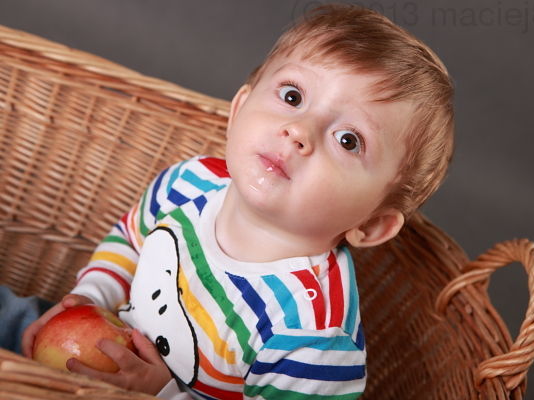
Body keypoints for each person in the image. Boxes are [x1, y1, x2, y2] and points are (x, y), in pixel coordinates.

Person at [20, 4, 454, 399]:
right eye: (292, 97)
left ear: (371, 225)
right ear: (239, 109)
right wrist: (89, 297)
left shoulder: (313, 331)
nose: (299, 131)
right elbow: (131, 241)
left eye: (348, 140)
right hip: (88, 354)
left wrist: (161, 394)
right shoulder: (190, 183)